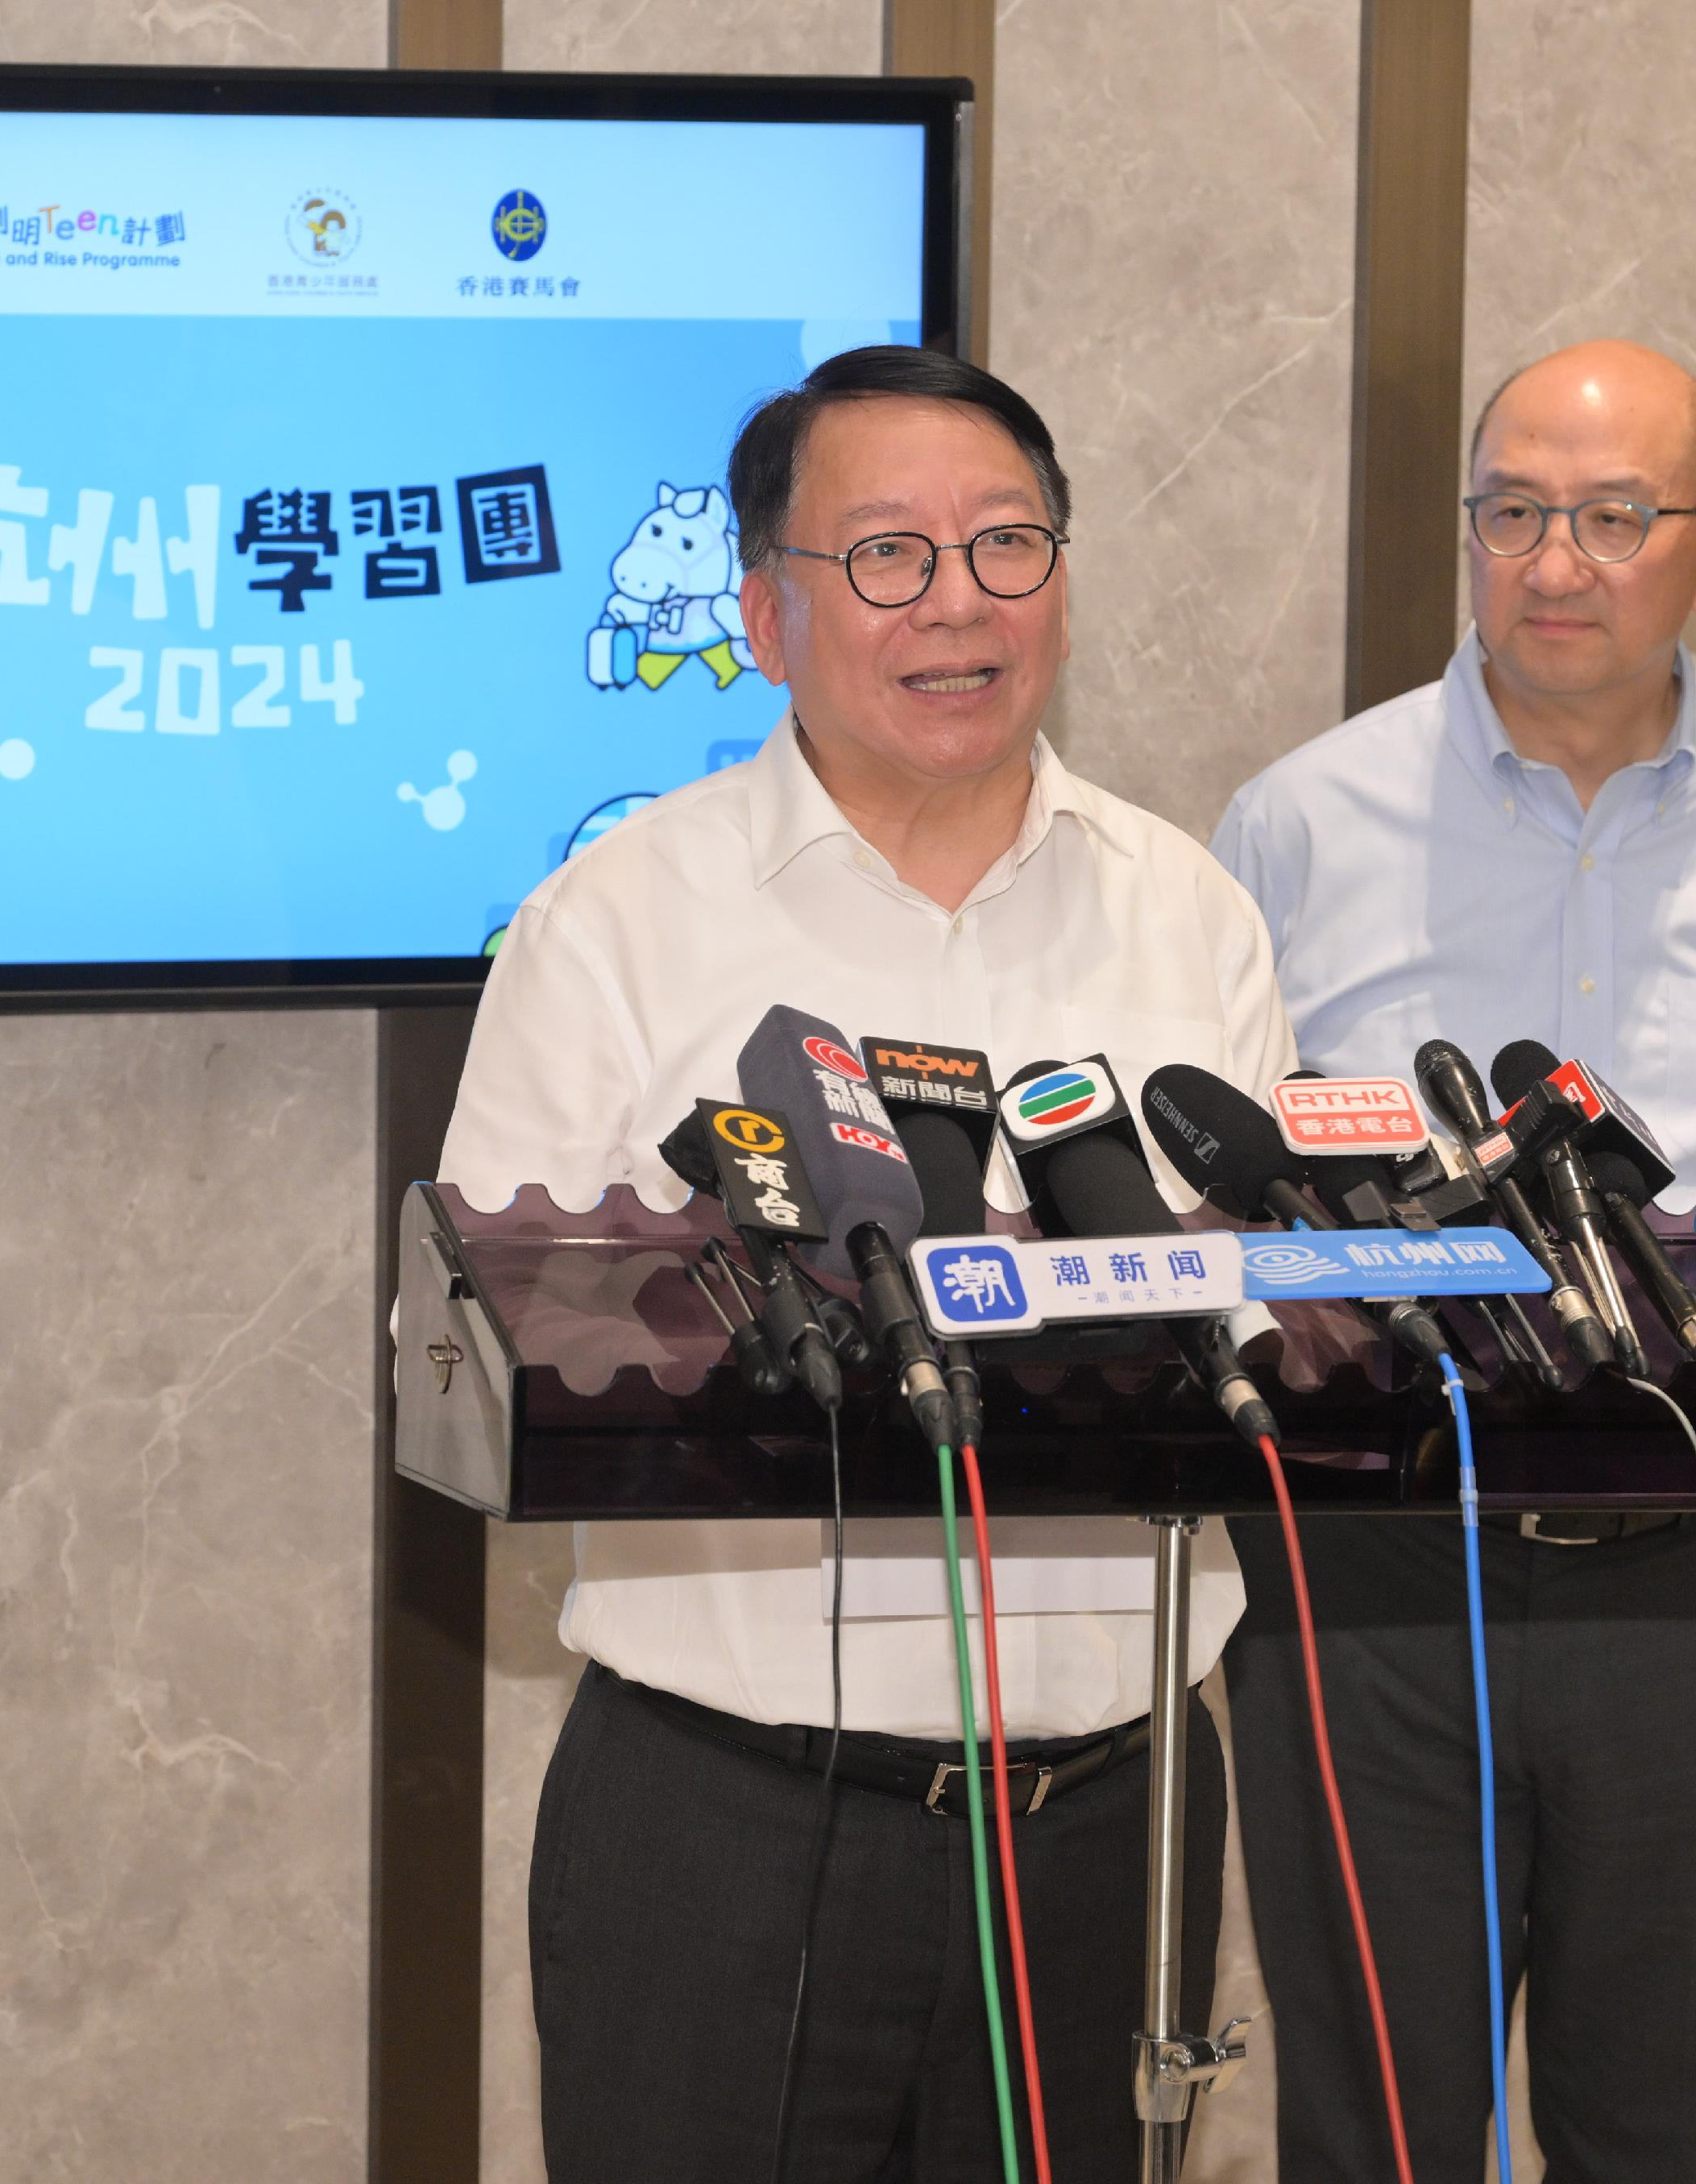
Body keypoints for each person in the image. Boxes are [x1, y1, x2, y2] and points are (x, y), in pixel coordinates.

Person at [440, 345, 1296, 2180]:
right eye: (886, 558)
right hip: (727, 1819)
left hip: (1104, 1826)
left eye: (1005, 547)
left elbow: (1255, 1313)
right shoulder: (611, 925)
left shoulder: (1187, 914)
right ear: (761, 611)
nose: (956, 606)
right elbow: (503, 1351)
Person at [1209, 339, 1696, 2180]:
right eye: (1512, 511)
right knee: (1369, 2135)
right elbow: (1216, 1224)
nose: (1553, 562)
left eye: (1613, 517)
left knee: (1651, 2135)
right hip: (1374, 1576)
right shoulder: (1298, 823)